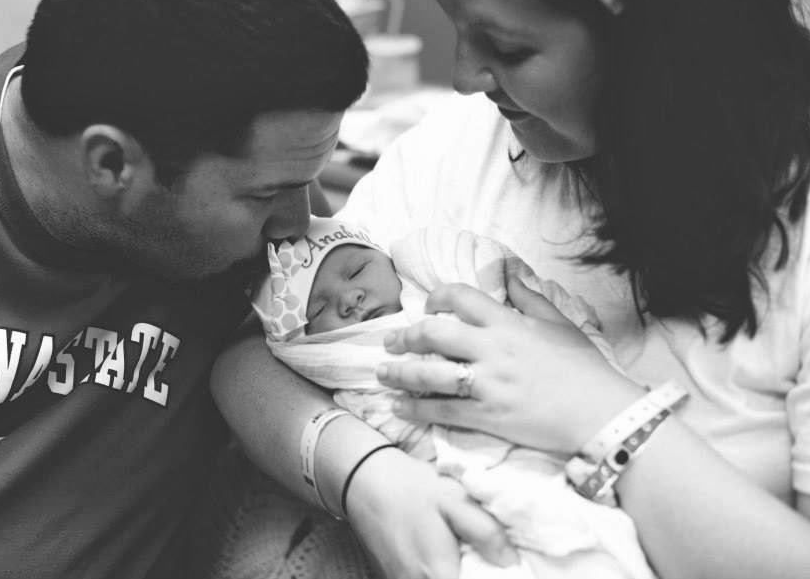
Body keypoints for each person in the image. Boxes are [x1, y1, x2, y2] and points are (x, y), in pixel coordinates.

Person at [211, 0, 810, 578]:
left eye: (509, 48)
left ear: (655, 41)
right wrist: (361, 472)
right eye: (457, 27)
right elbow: (256, 357)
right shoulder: (458, 150)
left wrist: (602, 413)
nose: (463, 77)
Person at [0, 0, 368, 577]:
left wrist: (365, 473)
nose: (297, 223)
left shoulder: (267, 231)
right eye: (266, 194)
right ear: (112, 163)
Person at [251, 216, 655, 579]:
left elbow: (548, 313)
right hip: (469, 504)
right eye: (320, 307)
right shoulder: (350, 382)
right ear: (309, 346)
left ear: (386, 259)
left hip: (573, 455)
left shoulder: (445, 293)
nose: (350, 297)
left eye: (357, 269)